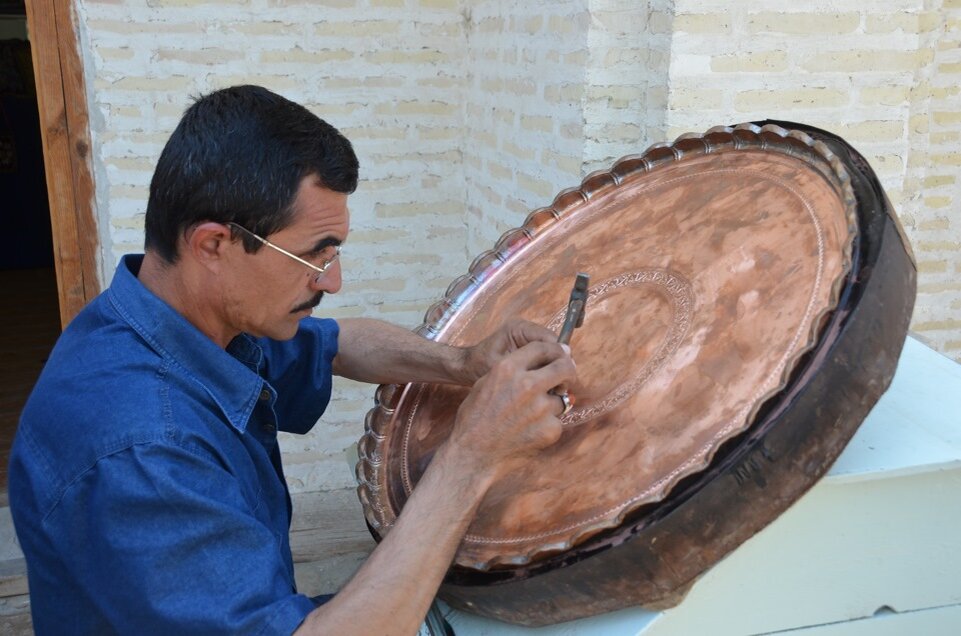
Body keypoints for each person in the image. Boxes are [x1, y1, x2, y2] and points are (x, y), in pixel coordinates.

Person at [8, 85, 576, 635]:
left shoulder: (178, 317)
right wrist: (472, 456)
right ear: (213, 245)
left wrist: (462, 362)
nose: (333, 280)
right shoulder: (143, 454)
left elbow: (338, 345)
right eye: (313, 253)